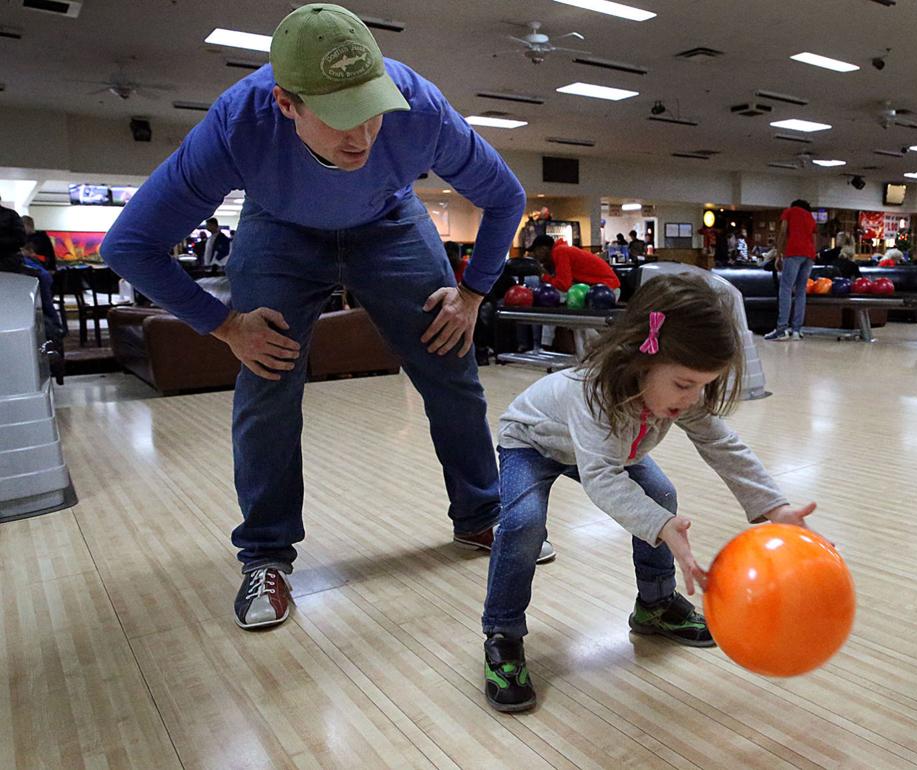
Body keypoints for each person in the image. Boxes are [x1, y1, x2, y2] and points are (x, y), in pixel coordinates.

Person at [100, 3, 553, 631]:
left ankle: (482, 513)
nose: (362, 136)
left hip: (391, 222)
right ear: (287, 104)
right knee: (267, 381)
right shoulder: (238, 124)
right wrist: (227, 326)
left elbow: (506, 197)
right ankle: (265, 555)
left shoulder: (418, 107)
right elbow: (127, 247)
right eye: (340, 119)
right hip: (278, 229)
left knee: (449, 359)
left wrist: (474, 293)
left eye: (370, 111)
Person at [480, 274, 817, 712]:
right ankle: (502, 635)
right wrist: (659, 525)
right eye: (683, 385)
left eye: (703, 385)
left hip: (608, 448)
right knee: (524, 524)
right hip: (533, 441)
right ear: (643, 360)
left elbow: (722, 443)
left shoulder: (675, 389)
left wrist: (776, 507)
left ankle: (655, 606)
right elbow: (602, 477)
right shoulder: (594, 394)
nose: (694, 398)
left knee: (660, 494)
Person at [2, 207, 61, 340]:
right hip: (23, 270)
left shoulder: (37, 239)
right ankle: (55, 329)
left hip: (22, 270)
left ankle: (54, 329)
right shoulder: (11, 216)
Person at [765, 198, 816, 341]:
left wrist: (778, 254)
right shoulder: (810, 217)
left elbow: (782, 232)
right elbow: (813, 238)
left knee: (786, 289)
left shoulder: (789, 212)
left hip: (794, 251)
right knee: (801, 291)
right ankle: (796, 331)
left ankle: (781, 329)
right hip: (809, 255)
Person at [528, 235, 619, 293]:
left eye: (535, 251)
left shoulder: (560, 251)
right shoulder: (561, 251)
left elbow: (564, 285)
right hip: (605, 286)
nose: (535, 255)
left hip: (606, 288)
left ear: (543, 249)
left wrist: (543, 276)